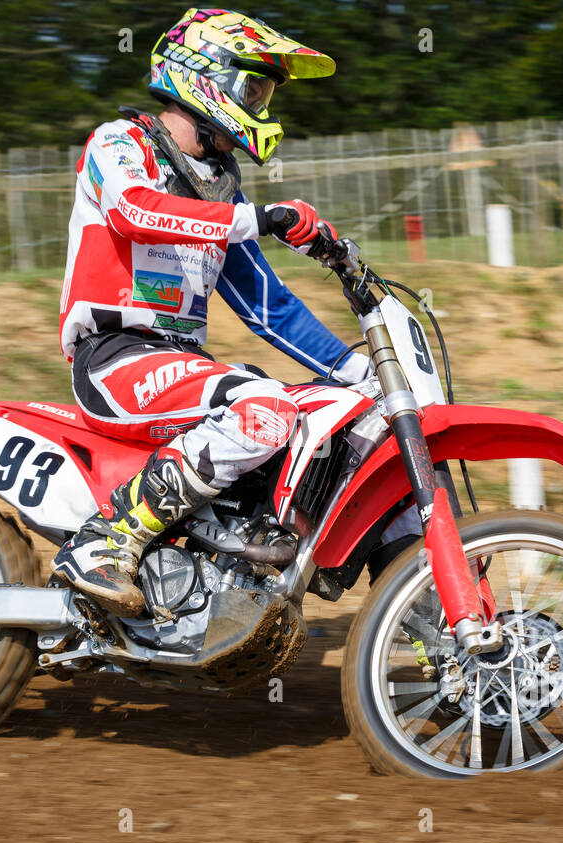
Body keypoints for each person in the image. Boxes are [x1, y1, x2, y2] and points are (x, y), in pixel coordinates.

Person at [51, 7, 371, 616]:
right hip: (116, 356)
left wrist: (363, 374)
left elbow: (268, 309)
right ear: (208, 78)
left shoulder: (219, 186)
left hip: (181, 364)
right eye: (254, 87)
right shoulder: (120, 143)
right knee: (263, 409)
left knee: (325, 414)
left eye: (266, 91)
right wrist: (268, 219)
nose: (262, 103)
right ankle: (105, 541)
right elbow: (135, 211)